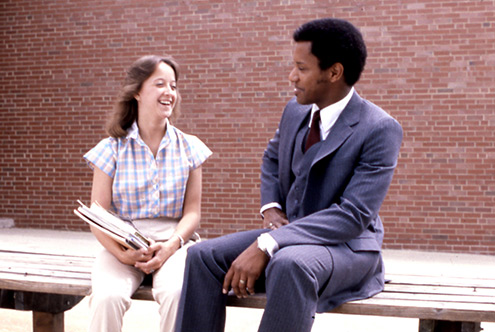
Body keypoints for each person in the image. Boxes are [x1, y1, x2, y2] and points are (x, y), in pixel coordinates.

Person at [175, 18, 403, 332]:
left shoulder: (379, 128)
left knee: (289, 263)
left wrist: (269, 242)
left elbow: (352, 216)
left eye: (302, 68)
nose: (292, 76)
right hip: (291, 235)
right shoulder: (295, 110)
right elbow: (272, 157)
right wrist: (270, 209)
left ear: (334, 72)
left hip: (347, 248)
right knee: (202, 256)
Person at [83, 55, 212, 332]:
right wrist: (122, 255)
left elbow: (193, 213)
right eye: (160, 84)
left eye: (174, 86)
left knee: (178, 294)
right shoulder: (110, 149)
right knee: (107, 298)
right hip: (124, 244)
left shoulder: (190, 148)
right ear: (138, 92)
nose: (170, 92)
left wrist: (171, 246)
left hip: (174, 244)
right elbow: (98, 215)